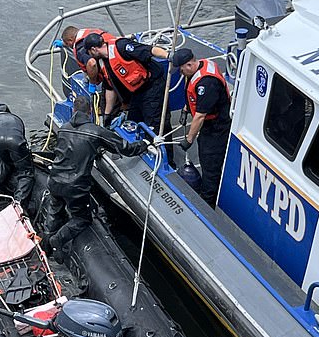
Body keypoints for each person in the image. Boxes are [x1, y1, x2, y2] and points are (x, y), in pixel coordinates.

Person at [44, 96, 147, 263]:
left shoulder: (63, 129)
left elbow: (70, 151)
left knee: (55, 210)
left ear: (73, 111)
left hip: (55, 179)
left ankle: (45, 245)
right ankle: (59, 239)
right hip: (75, 186)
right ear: (90, 111)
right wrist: (143, 145)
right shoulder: (96, 132)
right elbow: (124, 148)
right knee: (82, 218)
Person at [83, 32, 175, 166]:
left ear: (93, 49)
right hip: (137, 92)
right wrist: (107, 115)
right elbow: (110, 88)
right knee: (133, 120)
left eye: (89, 53)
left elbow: (149, 51)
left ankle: (166, 161)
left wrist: (168, 56)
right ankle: (141, 151)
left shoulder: (121, 47)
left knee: (154, 123)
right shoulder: (103, 62)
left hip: (152, 86)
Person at [173, 48, 231, 208]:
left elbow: (200, 116)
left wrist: (189, 139)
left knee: (210, 163)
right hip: (211, 123)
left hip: (217, 127)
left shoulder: (206, 83)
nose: (181, 72)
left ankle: (208, 203)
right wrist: (186, 108)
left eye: (182, 68)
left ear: (190, 64)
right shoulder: (205, 64)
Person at [0, 103, 34, 206]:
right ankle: (19, 201)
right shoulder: (16, 118)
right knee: (26, 172)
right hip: (15, 142)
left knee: (5, 162)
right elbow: (22, 137)